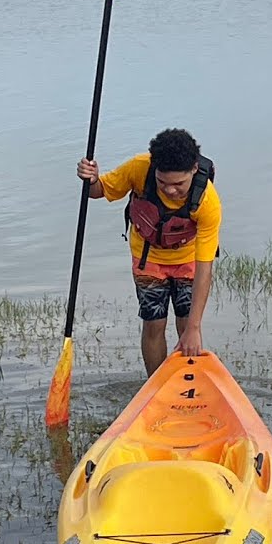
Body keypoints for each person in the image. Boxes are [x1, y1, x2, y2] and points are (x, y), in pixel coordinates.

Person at [76, 129, 222, 376]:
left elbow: (205, 266)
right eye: (163, 182)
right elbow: (99, 191)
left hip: (187, 259)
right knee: (154, 323)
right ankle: (157, 383)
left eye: (179, 184)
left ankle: (187, 381)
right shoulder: (139, 168)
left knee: (188, 323)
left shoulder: (208, 202)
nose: (170, 190)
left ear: (194, 170)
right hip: (148, 259)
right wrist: (90, 180)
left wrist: (195, 328)